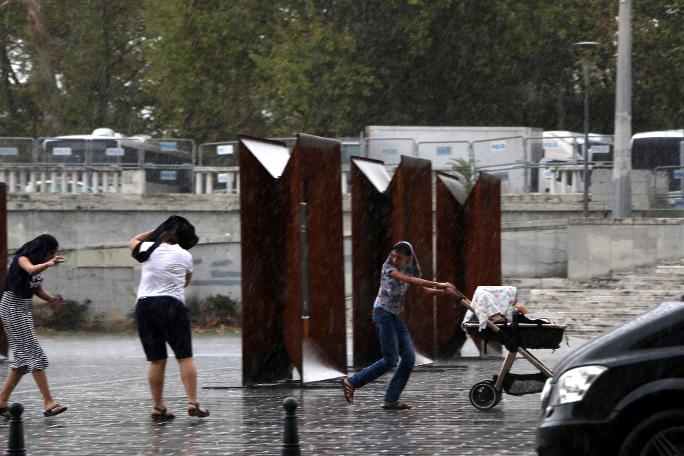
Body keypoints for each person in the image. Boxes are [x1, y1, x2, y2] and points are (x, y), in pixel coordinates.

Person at [342, 241, 453, 410]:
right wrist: (440, 284)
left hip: (393, 316)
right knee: (391, 359)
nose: (394, 259)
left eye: (399, 258)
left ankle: (391, 399)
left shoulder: (408, 268)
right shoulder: (388, 268)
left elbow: (424, 289)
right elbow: (408, 280)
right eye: (393, 255)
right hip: (382, 313)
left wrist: (444, 291)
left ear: (408, 258)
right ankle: (352, 381)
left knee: (409, 358)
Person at [129, 216, 209, 421]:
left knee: (156, 360)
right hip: (171, 305)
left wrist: (157, 230)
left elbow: (133, 240)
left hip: (145, 306)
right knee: (184, 357)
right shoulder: (184, 255)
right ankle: (192, 402)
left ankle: (158, 407)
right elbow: (185, 282)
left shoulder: (147, 248)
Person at [0, 234, 67, 418]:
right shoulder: (22, 259)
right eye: (51, 253)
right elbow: (30, 270)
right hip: (12, 306)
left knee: (22, 360)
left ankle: (1, 400)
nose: (51, 256)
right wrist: (49, 264)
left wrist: (53, 300)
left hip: (23, 308)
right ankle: (48, 403)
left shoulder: (40, 266)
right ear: (42, 250)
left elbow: (37, 289)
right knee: (35, 354)